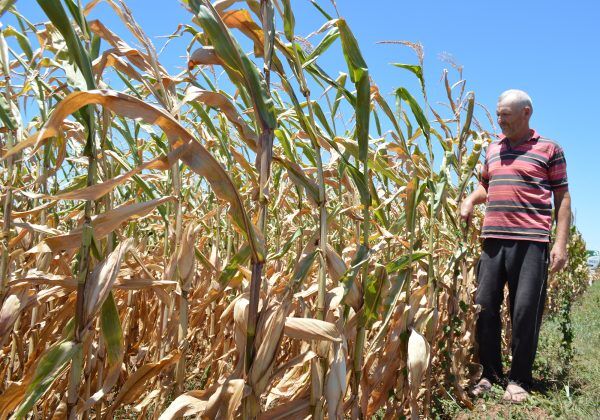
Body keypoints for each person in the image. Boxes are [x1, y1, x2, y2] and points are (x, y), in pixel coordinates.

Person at [460, 89, 571, 403]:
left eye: (506, 114)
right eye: (498, 114)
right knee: (484, 308)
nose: (500, 120)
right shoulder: (493, 149)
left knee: (524, 312)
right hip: (493, 240)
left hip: (531, 242)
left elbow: (562, 198)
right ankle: (489, 375)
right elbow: (486, 184)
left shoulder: (550, 149)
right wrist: (470, 200)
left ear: (526, 113)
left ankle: (519, 379)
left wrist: (560, 244)